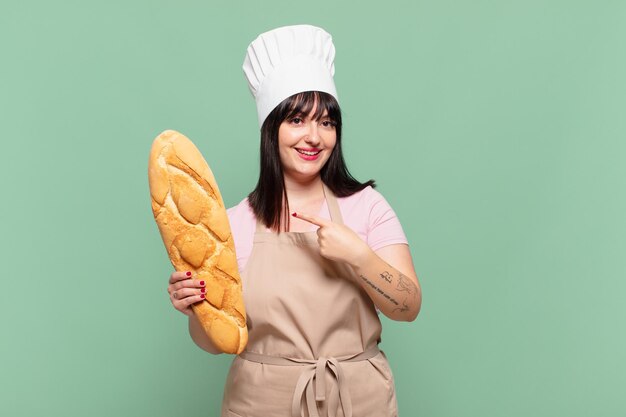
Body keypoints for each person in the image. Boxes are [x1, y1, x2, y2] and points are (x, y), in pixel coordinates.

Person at [166, 24, 421, 417]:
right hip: (261, 402)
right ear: (272, 129)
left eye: (327, 122)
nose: (314, 137)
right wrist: (196, 308)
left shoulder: (366, 206)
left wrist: (359, 256)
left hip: (357, 400)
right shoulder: (233, 223)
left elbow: (408, 307)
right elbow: (214, 341)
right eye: (297, 120)